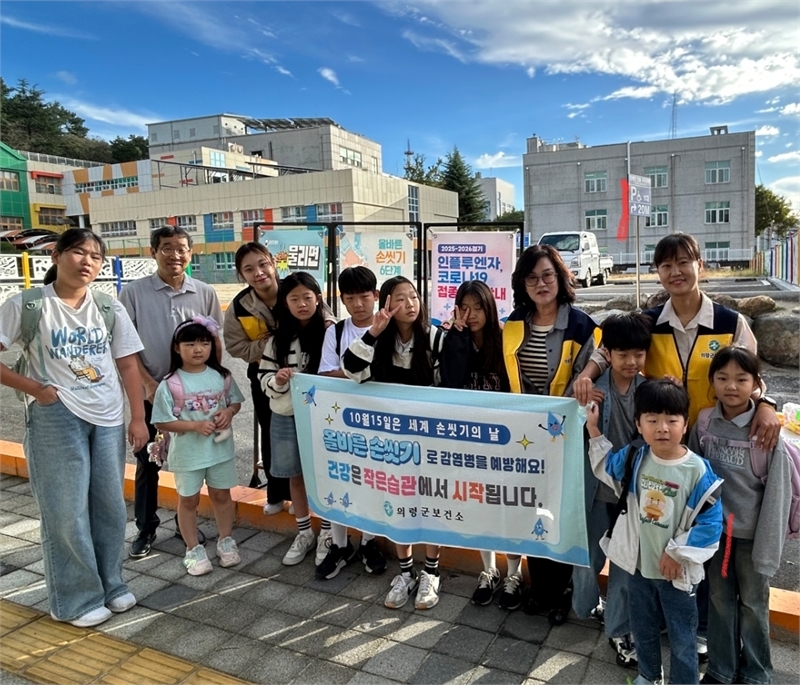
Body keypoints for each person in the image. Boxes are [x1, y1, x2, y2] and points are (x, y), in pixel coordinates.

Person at [575, 231, 781, 656]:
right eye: (666, 265)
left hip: (715, 447)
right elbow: (610, 346)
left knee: (702, 535)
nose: (675, 272)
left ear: (699, 265)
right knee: (656, 533)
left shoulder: (729, 322)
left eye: (683, 262)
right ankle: (654, 620)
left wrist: (765, 404)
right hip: (661, 450)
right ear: (658, 272)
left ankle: (699, 627)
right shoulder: (650, 320)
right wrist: (588, 375)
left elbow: (750, 373)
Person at [0, 229, 149, 627]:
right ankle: (75, 600)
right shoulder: (29, 304)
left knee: (110, 507)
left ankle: (111, 584)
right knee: (66, 510)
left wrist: (137, 417)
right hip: (55, 416)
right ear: (57, 255)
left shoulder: (107, 305)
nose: (87, 262)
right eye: (79, 252)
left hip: (108, 416)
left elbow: (128, 363)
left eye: (96, 257)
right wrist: (35, 389)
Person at [586, 380, 723, 685]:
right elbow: (607, 468)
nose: (662, 428)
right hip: (639, 569)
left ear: (685, 424)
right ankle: (649, 676)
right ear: (639, 424)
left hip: (676, 574)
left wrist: (677, 554)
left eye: (671, 420)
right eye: (652, 420)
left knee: (682, 636)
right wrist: (594, 429)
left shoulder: (697, 470)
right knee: (643, 627)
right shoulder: (635, 457)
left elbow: (711, 524)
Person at [503, 244, 600, 623]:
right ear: (522, 284)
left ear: (560, 278)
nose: (541, 284)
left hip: (567, 440)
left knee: (563, 512)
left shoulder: (582, 325)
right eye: (532, 278)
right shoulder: (514, 323)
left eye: (547, 275)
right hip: (525, 439)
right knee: (532, 508)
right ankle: (539, 587)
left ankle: (562, 590)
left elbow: (597, 371)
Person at [687, 346, 792, 685]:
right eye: (722, 378)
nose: (731, 386)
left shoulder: (767, 430)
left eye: (741, 379)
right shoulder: (704, 422)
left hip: (751, 539)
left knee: (753, 605)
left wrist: (768, 548)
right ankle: (721, 670)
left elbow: (777, 494)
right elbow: (691, 476)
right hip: (717, 536)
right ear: (712, 381)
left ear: (756, 384)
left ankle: (757, 674)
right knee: (720, 601)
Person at [342, 276, 445, 610]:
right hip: (392, 443)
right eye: (400, 298)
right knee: (399, 502)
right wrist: (374, 331)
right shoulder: (377, 341)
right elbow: (350, 369)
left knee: (431, 503)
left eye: (413, 296)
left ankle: (432, 572)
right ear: (386, 303)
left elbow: (450, 386)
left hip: (429, 440)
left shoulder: (434, 337)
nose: (410, 304)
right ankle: (405, 572)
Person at [120, 226, 223, 559]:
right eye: (166, 248)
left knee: (190, 461)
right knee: (148, 460)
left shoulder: (204, 292)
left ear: (190, 253)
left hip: (193, 398)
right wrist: (149, 384)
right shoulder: (133, 293)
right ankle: (145, 528)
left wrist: (214, 385)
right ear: (153, 252)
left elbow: (214, 344)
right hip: (152, 394)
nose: (174, 255)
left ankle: (184, 524)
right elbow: (125, 347)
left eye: (181, 249)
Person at [571, 312, 651, 668]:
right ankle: (585, 606)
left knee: (624, 565)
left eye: (638, 354)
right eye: (622, 354)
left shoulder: (648, 392)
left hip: (630, 496)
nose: (631, 362)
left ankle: (619, 628)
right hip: (593, 491)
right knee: (587, 556)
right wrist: (581, 392)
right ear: (608, 353)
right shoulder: (591, 388)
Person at [439, 281, 520, 608]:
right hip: (469, 442)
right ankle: (489, 570)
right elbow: (451, 382)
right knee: (480, 505)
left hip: (505, 441)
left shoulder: (505, 340)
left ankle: (514, 573)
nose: (470, 314)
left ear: (490, 307)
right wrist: (458, 339)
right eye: (464, 307)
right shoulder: (453, 339)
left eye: (477, 307)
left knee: (510, 508)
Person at [151, 319, 245, 576]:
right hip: (188, 455)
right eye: (190, 344)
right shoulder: (170, 383)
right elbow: (161, 421)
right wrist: (194, 426)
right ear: (177, 348)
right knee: (188, 500)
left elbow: (235, 402)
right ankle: (193, 549)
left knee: (222, 496)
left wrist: (229, 412)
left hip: (220, 451)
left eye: (204, 343)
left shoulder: (221, 376)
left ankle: (226, 540)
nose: (198, 349)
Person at [316, 266, 387, 579]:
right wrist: (358, 375)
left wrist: (347, 373)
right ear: (342, 299)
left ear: (376, 296)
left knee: (373, 479)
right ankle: (340, 545)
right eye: (350, 298)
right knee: (339, 478)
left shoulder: (387, 327)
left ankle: (369, 541)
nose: (358, 304)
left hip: (378, 421)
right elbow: (325, 375)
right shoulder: (335, 332)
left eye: (364, 296)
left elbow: (383, 375)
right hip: (341, 422)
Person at [259, 272, 328, 566]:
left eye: (307, 297)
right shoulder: (276, 341)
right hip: (286, 414)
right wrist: (277, 380)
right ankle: (304, 531)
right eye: (294, 298)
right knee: (295, 475)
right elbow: (263, 377)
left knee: (325, 474)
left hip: (323, 417)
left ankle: (327, 532)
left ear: (318, 299)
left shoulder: (330, 333)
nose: (302, 304)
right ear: (285, 303)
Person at [223, 242, 292, 508]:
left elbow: (325, 321)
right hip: (264, 378)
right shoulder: (240, 305)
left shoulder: (296, 289)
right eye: (249, 269)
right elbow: (235, 346)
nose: (259, 273)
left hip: (302, 375)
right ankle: (276, 494)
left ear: (273, 263)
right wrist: (267, 345)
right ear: (242, 274)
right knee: (272, 433)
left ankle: (304, 495)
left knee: (304, 434)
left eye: (263, 264)